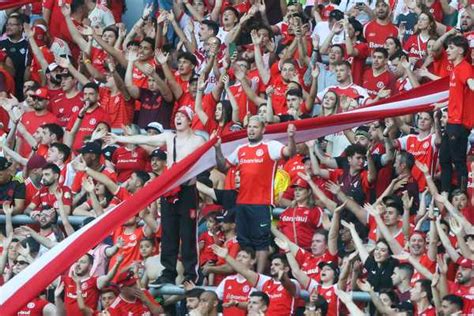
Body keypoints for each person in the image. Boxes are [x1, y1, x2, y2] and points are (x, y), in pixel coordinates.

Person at [106, 106, 206, 284]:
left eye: (183, 116)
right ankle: (168, 272)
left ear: (190, 120)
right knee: (168, 233)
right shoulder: (169, 137)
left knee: (188, 233)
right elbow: (146, 139)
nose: (178, 118)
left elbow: (209, 161)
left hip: (187, 192)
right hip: (169, 191)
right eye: (177, 115)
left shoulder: (198, 140)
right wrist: (119, 137)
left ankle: (192, 274)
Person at [215, 116, 296, 272]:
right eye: (249, 127)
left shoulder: (270, 146)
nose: (251, 130)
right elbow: (223, 166)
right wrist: (217, 149)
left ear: (263, 129)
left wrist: (291, 137)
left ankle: (258, 277)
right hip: (242, 202)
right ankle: (247, 275)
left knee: (261, 242)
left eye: (255, 127)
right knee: (244, 241)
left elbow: (290, 153)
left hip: (262, 203)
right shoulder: (241, 149)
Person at [438, 35, 474, 192]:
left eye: (451, 47)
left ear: (461, 50)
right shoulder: (455, 69)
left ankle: (462, 196)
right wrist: (441, 104)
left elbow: (471, 83)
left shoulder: (465, 67)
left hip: (459, 124)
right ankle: (446, 193)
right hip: (452, 122)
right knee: (444, 159)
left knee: (458, 161)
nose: (447, 50)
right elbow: (457, 95)